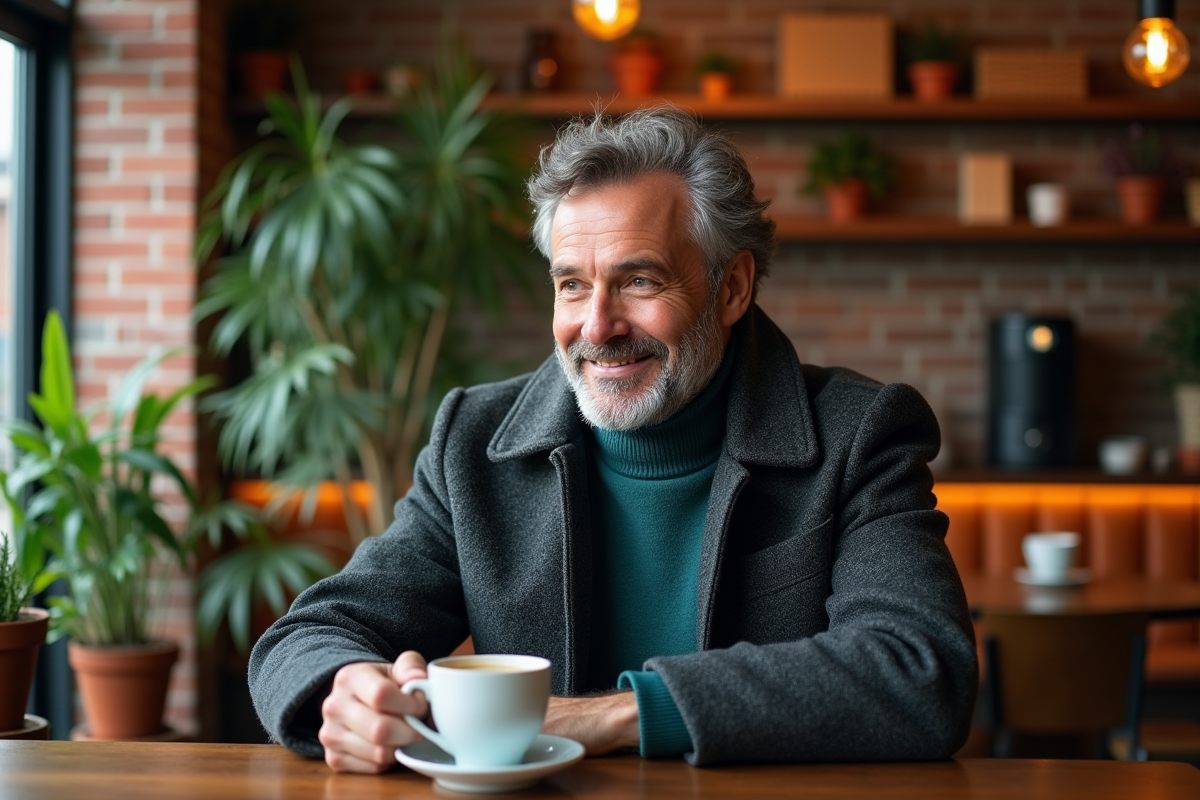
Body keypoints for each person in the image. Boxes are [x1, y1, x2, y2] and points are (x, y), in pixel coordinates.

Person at [248, 106, 977, 773]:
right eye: (571, 284)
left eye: (638, 281)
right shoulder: (473, 441)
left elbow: (921, 670)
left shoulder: (859, 433)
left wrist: (615, 714)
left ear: (731, 289)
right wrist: (344, 690)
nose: (596, 327)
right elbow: (308, 635)